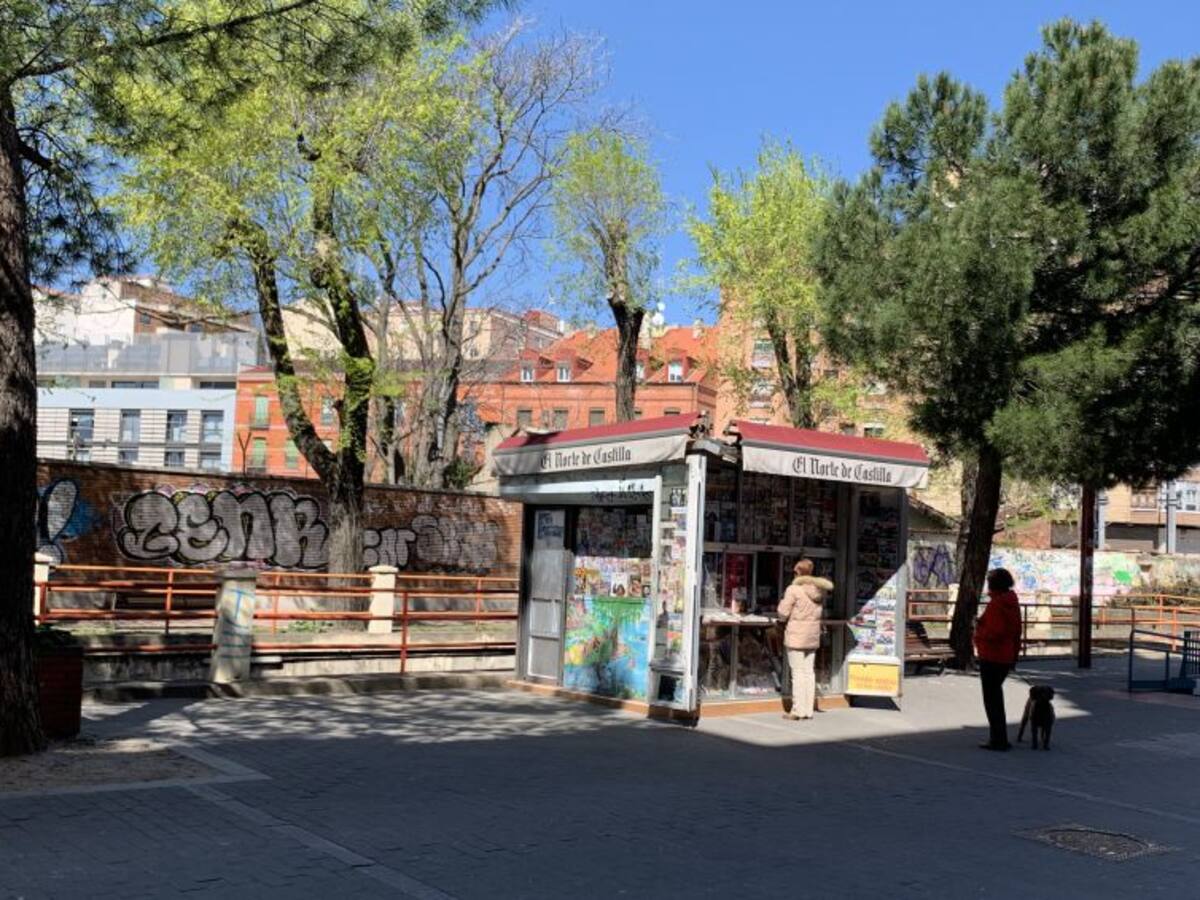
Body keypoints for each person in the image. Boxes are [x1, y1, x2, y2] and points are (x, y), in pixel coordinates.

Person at [776, 560, 833, 721]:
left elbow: (783, 613)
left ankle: (797, 710)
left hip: (796, 636)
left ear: (798, 573)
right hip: (812, 637)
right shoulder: (819, 591)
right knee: (809, 673)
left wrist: (780, 607)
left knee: (797, 673)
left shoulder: (793, 589)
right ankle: (808, 710)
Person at [974, 567, 1023, 751]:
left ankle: (998, 739)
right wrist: (1014, 655)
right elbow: (1016, 631)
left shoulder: (996, 604)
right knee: (996, 696)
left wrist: (979, 631)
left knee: (991, 699)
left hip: (991, 655)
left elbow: (995, 632)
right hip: (1006, 655)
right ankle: (999, 737)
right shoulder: (1012, 602)